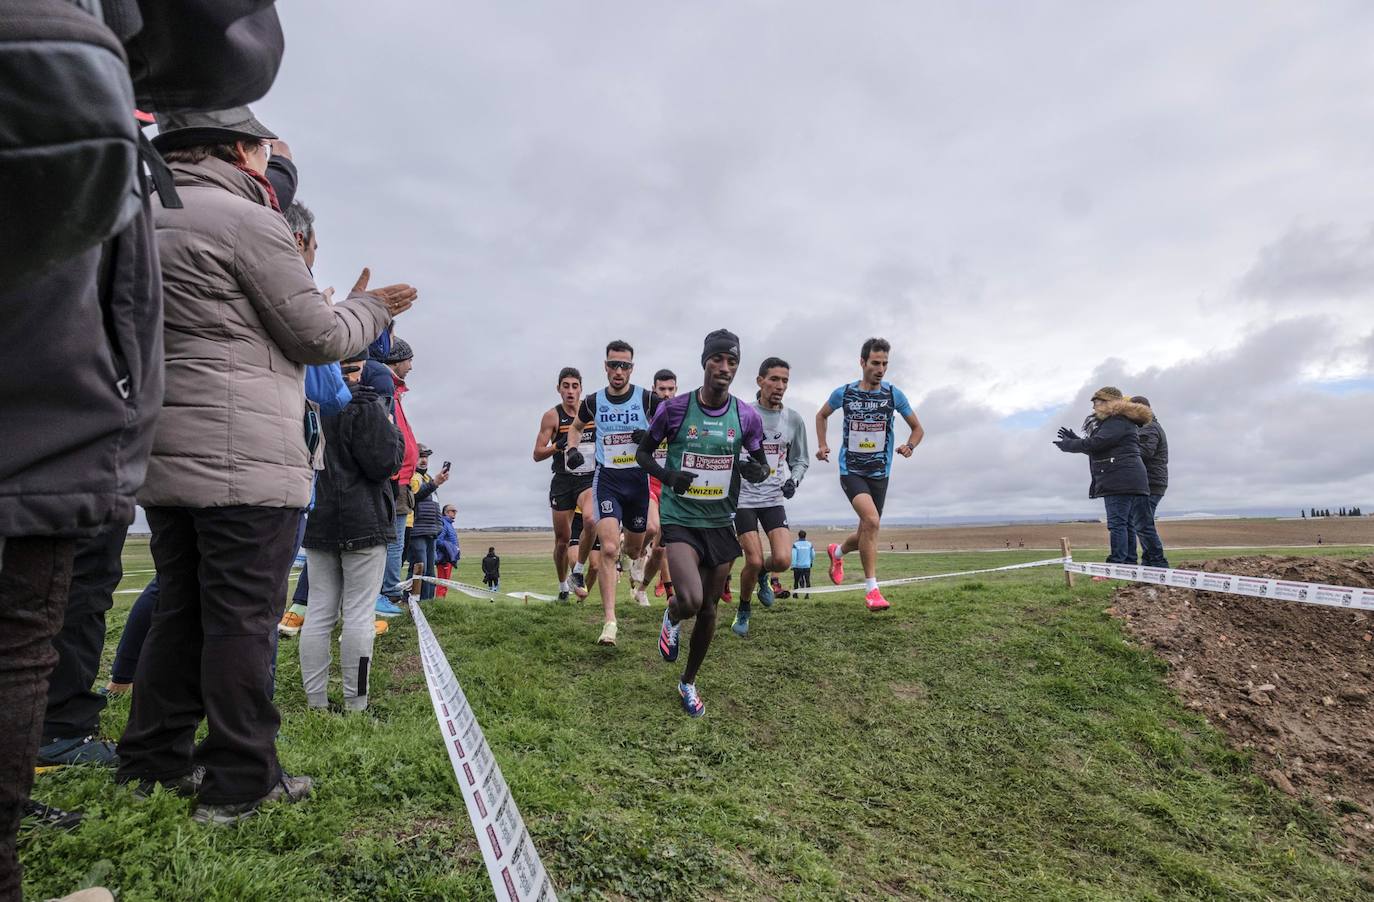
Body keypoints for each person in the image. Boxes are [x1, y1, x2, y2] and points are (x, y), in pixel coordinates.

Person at [115, 106, 416, 826]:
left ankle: (152, 762)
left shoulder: (142, 216)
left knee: (181, 611)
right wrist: (371, 309)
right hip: (243, 458)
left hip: (167, 450)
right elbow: (315, 336)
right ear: (242, 152)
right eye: (261, 149)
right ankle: (242, 779)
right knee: (244, 622)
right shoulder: (249, 221)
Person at [638, 329, 769, 716]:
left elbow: (761, 466)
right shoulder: (675, 409)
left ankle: (688, 682)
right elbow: (644, 455)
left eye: (732, 362)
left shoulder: (745, 416)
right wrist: (669, 476)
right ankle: (673, 613)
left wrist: (754, 469)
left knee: (710, 609)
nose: (725, 368)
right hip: (680, 520)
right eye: (718, 360)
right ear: (705, 362)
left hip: (719, 521)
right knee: (692, 600)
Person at [298, 351, 404, 712]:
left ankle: (315, 702)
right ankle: (355, 703)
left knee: (319, 611)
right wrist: (389, 427)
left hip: (319, 515)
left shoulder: (305, 401)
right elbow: (385, 464)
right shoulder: (366, 403)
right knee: (358, 613)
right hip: (363, 519)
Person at [562, 341, 663, 645]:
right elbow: (576, 428)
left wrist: (650, 437)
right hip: (607, 480)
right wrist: (571, 450)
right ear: (605, 366)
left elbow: (670, 430)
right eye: (614, 365)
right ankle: (609, 622)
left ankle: (635, 560)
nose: (619, 371)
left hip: (638, 482)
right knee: (608, 549)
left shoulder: (648, 399)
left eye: (625, 365)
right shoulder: (592, 401)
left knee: (633, 548)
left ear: (632, 368)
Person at [815, 338, 925, 611]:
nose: (881, 369)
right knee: (872, 521)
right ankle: (872, 590)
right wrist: (822, 445)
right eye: (875, 363)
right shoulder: (845, 393)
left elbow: (918, 429)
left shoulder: (893, 395)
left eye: (885, 363)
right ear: (862, 362)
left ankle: (837, 552)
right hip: (851, 470)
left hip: (880, 473)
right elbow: (821, 415)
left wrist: (909, 446)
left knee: (867, 529)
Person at [732, 357, 809, 636]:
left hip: (774, 497)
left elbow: (800, 459)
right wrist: (741, 466)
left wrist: (794, 481)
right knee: (751, 559)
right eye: (774, 379)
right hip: (743, 498)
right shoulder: (743, 414)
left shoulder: (793, 419)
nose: (780, 386)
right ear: (760, 381)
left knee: (782, 560)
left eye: (785, 380)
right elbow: (726, 449)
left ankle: (763, 574)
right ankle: (743, 608)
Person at [1053, 387, 1168, 568]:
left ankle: (1120, 564)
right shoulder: (1119, 422)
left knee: (1121, 524)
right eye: (1094, 403)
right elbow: (1101, 446)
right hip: (1128, 478)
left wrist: (1071, 445)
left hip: (1122, 479)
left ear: (1110, 402)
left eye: (1098, 402)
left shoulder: (1118, 421)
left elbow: (1098, 444)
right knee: (1129, 523)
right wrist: (1075, 440)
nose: (1095, 407)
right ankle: (1130, 563)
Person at [533, 367, 597, 601]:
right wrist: (557, 446)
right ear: (559, 389)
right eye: (565, 386)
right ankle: (562, 586)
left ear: (581, 388)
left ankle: (578, 571)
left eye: (574, 386)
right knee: (562, 540)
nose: (570, 391)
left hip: (588, 478)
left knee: (590, 518)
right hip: (563, 481)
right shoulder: (552, 416)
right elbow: (537, 454)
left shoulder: (591, 411)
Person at [374, 338, 419, 617]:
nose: (411, 366)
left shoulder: (395, 392)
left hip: (400, 478)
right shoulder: (385, 389)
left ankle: (388, 589)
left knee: (395, 539)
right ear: (395, 361)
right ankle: (389, 592)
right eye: (408, 360)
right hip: (396, 478)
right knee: (394, 540)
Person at [635, 369, 678, 604]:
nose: (667, 394)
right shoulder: (644, 415)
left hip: (670, 487)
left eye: (671, 389)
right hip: (647, 482)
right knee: (651, 528)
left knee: (661, 550)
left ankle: (642, 589)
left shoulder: (680, 418)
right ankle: (638, 553)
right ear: (654, 390)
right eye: (662, 389)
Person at [1124, 396, 1168, 563]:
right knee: (1141, 523)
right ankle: (1149, 562)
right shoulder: (1146, 427)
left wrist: (1123, 450)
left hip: (1151, 483)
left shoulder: (1149, 428)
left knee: (1143, 524)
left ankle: (1157, 563)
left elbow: (1144, 452)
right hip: (1150, 482)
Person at [407, 449, 450, 601]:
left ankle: (427, 603)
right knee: (419, 567)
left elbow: (435, 505)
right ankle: (411, 601)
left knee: (430, 571)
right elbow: (414, 498)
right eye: (420, 456)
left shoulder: (428, 478)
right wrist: (434, 483)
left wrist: (439, 526)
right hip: (417, 530)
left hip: (431, 531)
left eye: (425, 457)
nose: (424, 460)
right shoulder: (413, 477)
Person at [436, 505, 460, 597]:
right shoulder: (443, 523)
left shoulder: (449, 524)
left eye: (455, 511)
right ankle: (439, 602)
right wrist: (450, 548)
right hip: (444, 557)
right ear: (446, 512)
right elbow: (438, 540)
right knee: (442, 582)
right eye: (453, 511)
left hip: (449, 557)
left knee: (445, 582)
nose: (455, 513)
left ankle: (442, 601)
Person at [791, 530, 815, 599]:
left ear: (798, 535)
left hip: (798, 566)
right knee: (807, 580)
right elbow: (813, 554)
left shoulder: (795, 544)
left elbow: (794, 556)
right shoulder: (809, 544)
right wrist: (811, 562)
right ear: (805, 535)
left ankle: (795, 594)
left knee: (796, 581)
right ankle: (807, 595)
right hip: (807, 566)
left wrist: (793, 565)